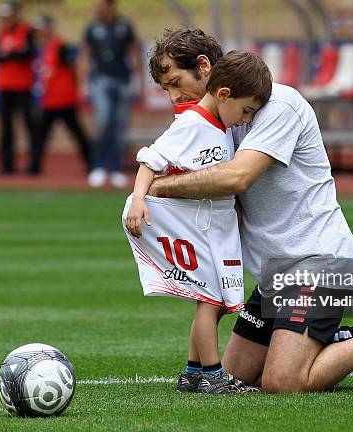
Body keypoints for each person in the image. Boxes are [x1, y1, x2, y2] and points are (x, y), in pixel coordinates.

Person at [145, 28, 353, 393]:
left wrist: (158, 188)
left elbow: (238, 177)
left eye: (175, 82)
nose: (173, 97)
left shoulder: (278, 104)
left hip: (318, 260)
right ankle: (337, 336)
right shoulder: (212, 124)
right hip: (275, 275)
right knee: (238, 374)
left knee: (283, 381)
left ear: (204, 67)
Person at [122, 51, 272, 393]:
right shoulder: (192, 124)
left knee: (217, 301)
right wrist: (139, 200)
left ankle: (193, 372)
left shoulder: (220, 125)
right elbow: (151, 159)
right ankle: (214, 376)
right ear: (223, 95)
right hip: (195, 226)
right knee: (210, 300)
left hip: (216, 228)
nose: (246, 119)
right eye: (246, 110)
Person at [78, 0, 144, 188]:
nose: (97, 8)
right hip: (100, 79)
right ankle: (99, 166)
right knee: (104, 121)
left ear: (110, 5)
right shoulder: (92, 27)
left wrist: (139, 82)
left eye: (101, 4)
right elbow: (84, 55)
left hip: (122, 79)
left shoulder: (124, 25)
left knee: (120, 125)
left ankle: (115, 167)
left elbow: (134, 53)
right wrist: (82, 84)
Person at [29, 15, 92, 175]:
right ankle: (34, 167)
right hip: (50, 101)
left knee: (77, 133)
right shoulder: (45, 48)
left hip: (63, 100)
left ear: (49, 28)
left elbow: (74, 67)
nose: (38, 32)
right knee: (40, 134)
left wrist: (78, 88)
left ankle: (92, 163)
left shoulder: (59, 45)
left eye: (41, 28)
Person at [0, 0, 37, 175]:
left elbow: (27, 54)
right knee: (5, 127)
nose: (6, 18)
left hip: (23, 85)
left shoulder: (26, 31)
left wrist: (8, 53)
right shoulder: (2, 31)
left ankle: (33, 164)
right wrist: (12, 53)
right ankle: (6, 164)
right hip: (4, 86)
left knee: (28, 125)